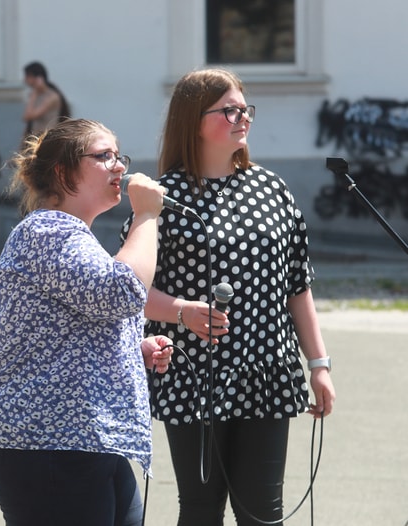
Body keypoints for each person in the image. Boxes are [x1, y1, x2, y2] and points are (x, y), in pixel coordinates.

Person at [120, 68, 336, 525]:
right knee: (200, 512)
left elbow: (298, 286)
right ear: (194, 120)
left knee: (263, 513)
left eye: (245, 109)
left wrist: (319, 365)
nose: (243, 118)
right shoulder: (165, 198)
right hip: (195, 373)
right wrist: (180, 312)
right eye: (229, 110)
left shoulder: (272, 189)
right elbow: (127, 288)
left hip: (267, 372)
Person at [0, 118, 174, 526]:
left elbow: (75, 323)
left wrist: (133, 350)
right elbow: (120, 293)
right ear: (62, 172)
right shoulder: (48, 230)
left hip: (82, 438)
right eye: (103, 156)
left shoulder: (72, 235)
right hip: (43, 440)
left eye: (119, 156)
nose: (119, 167)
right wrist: (147, 216)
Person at [21, 61, 71, 139]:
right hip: (36, 138)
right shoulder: (36, 94)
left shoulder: (51, 97)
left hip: (47, 139)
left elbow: (29, 116)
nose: (25, 80)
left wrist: (34, 94)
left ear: (37, 78)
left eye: (27, 76)